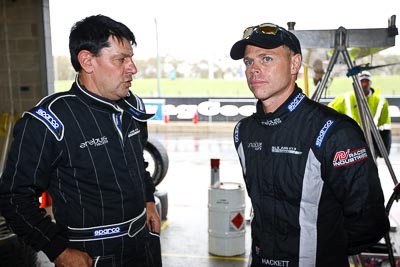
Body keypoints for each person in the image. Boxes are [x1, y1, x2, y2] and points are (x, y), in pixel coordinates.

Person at [0, 15, 161, 267]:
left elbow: (136, 161)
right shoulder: (49, 121)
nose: (133, 68)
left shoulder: (133, 106)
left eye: (131, 58)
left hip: (145, 245)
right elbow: (14, 197)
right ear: (87, 61)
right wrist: (58, 250)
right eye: (121, 59)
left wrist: (148, 200)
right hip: (90, 256)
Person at [230, 22, 389, 267]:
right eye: (249, 62)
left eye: (267, 59)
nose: (255, 69)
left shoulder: (335, 132)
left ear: (295, 64)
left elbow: (369, 222)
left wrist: (321, 252)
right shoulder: (244, 132)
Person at [328, 70, 392, 158]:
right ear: (357, 83)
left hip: (371, 141)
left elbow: (384, 125)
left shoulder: (380, 101)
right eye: (362, 81)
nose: (365, 84)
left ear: (371, 82)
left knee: (370, 166)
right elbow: (330, 112)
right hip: (351, 139)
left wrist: (384, 149)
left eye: (367, 81)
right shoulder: (346, 98)